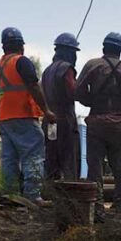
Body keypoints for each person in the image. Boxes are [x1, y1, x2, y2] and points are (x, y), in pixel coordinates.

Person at [0, 27, 56, 203]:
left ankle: (9, 194)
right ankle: (33, 195)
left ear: (3, 47)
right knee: (33, 154)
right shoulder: (22, 62)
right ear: (22, 46)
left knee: (9, 158)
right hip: (24, 115)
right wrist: (47, 111)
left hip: (5, 119)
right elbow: (34, 86)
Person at [76, 32, 121, 218]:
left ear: (104, 47)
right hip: (119, 124)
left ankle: (97, 207)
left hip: (97, 121)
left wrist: (91, 101)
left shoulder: (93, 65)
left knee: (95, 166)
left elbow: (78, 91)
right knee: (120, 166)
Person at [41, 33, 81, 182]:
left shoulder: (46, 71)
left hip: (49, 121)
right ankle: (70, 192)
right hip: (65, 121)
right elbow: (73, 92)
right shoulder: (67, 69)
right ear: (69, 52)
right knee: (69, 159)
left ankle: (51, 191)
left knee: (52, 157)